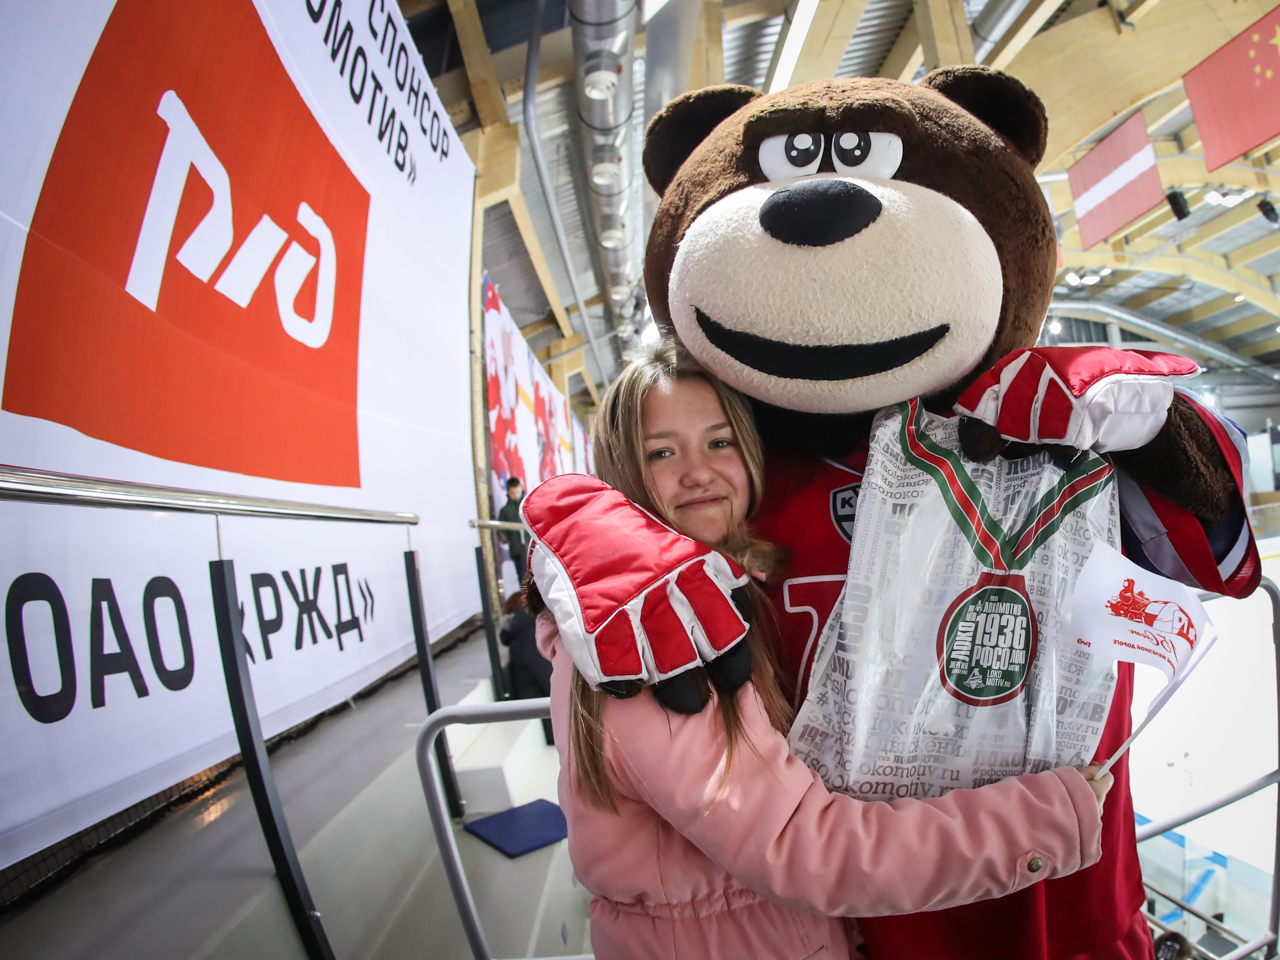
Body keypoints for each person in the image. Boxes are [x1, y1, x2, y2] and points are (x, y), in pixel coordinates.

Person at [521, 343, 1114, 960]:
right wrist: (1041, 818)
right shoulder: (645, 640)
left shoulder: (704, 597)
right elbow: (807, 850)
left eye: (719, 442)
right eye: (661, 453)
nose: (698, 472)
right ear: (621, 469)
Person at [500, 591, 554, 744]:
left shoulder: (525, 634)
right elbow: (551, 683)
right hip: (549, 721)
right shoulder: (530, 638)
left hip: (544, 715)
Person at [497, 476, 530, 581]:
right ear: (508, 492)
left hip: (532, 547)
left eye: (517, 492)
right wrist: (504, 538)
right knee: (522, 576)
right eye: (512, 492)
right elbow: (501, 530)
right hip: (516, 549)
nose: (515, 495)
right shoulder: (505, 511)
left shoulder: (529, 506)